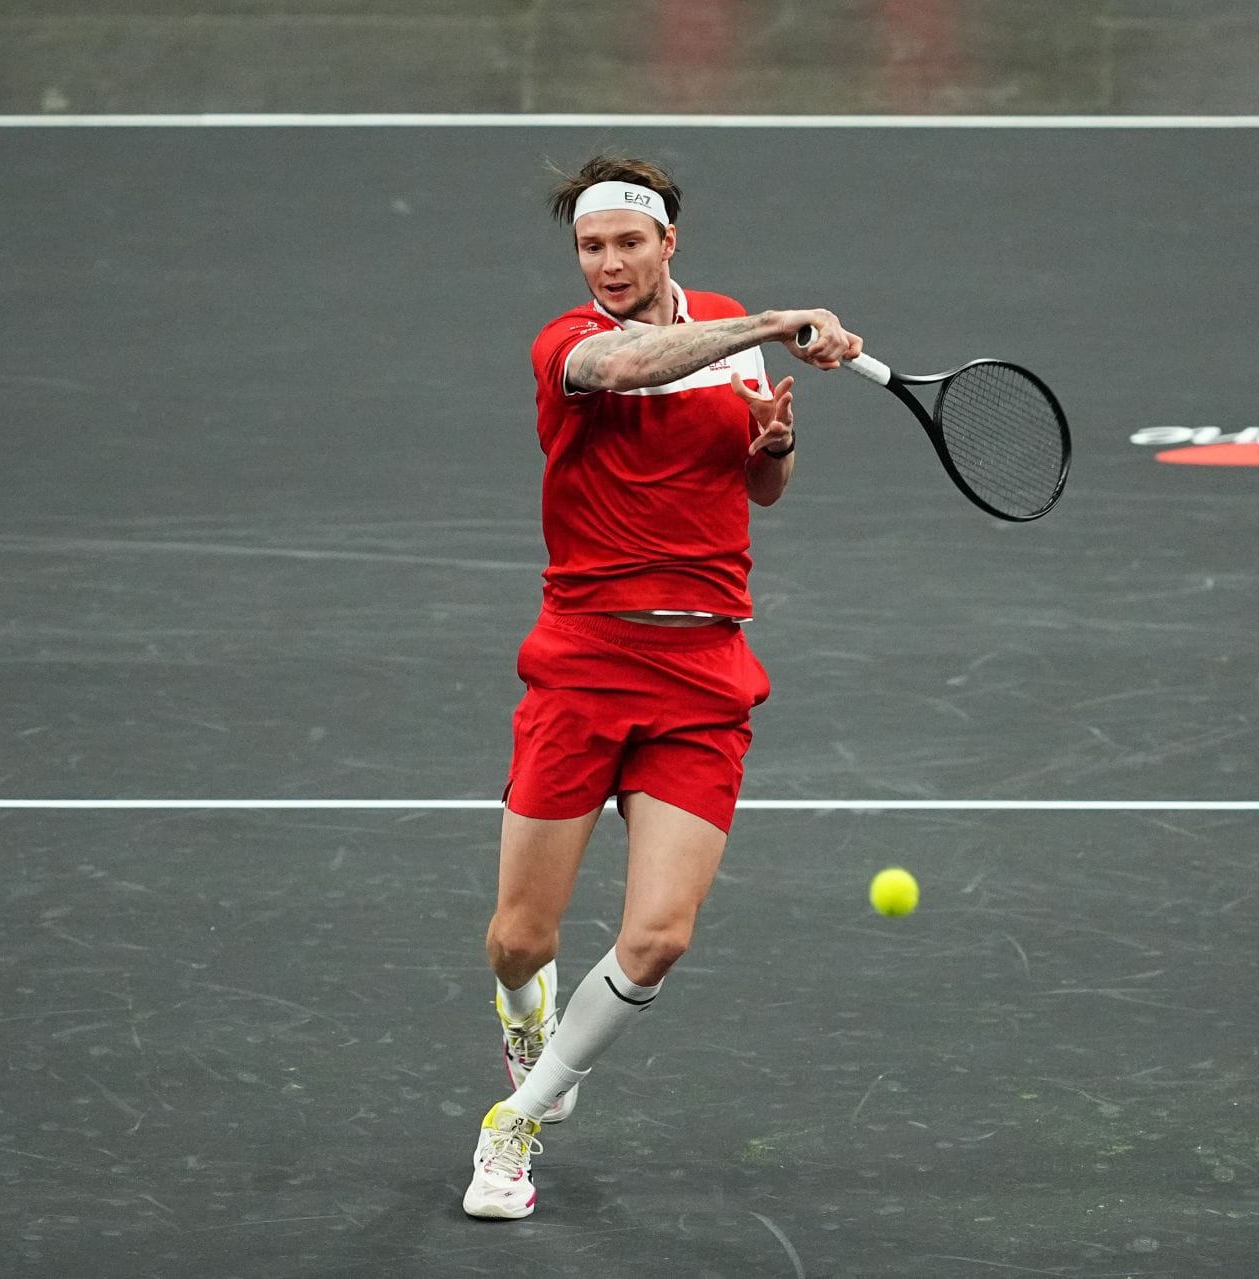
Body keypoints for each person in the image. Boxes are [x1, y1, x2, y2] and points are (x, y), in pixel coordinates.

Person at [462, 153, 864, 1220]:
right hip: (584, 663)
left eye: (627, 242)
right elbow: (630, 368)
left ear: (667, 243)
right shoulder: (573, 345)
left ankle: (518, 1125)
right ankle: (523, 1007)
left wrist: (773, 441)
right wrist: (776, 323)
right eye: (590, 246)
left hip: (702, 673)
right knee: (520, 938)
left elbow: (759, 488)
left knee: (658, 937)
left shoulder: (725, 329)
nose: (608, 263)